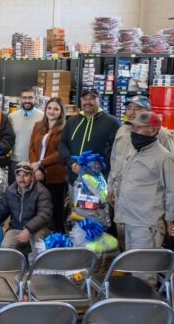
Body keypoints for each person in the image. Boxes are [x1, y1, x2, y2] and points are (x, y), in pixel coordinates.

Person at [113, 112, 174, 255]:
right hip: (129, 220)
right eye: (134, 127)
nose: (134, 132)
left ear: (154, 130)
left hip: (147, 226)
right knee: (132, 265)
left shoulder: (163, 158)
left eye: (140, 128)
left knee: (144, 271)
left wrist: (170, 221)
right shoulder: (134, 151)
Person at [109, 95, 174, 188]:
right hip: (119, 188)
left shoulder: (162, 133)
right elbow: (114, 159)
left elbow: (168, 170)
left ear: (148, 111)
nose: (132, 113)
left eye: (137, 109)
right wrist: (111, 186)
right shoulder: (122, 130)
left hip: (145, 192)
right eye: (129, 108)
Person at [59, 89, 121, 185]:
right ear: (80, 100)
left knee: (97, 201)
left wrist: (101, 163)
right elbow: (62, 144)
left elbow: (117, 150)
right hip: (74, 177)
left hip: (99, 180)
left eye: (92, 98)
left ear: (99, 100)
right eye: (84, 98)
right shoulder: (71, 121)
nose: (88, 102)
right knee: (73, 200)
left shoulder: (113, 123)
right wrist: (72, 164)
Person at [0, 162, 52, 259]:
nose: (21, 179)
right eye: (19, 175)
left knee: (38, 249)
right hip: (16, 228)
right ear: (15, 176)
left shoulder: (42, 191)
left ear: (32, 176)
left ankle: (34, 266)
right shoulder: (10, 191)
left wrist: (28, 230)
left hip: (37, 229)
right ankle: (24, 251)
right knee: (5, 248)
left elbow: (44, 215)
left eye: (25, 175)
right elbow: (1, 211)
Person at [29, 98, 69, 233]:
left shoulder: (65, 128)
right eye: (49, 108)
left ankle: (58, 238)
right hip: (37, 175)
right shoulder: (38, 126)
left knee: (56, 210)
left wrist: (41, 164)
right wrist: (36, 169)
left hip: (56, 176)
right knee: (38, 208)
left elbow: (60, 153)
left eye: (56, 109)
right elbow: (32, 149)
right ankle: (40, 236)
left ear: (61, 112)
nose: (52, 111)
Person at [8, 88, 44, 184]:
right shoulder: (12, 117)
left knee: (32, 193)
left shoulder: (43, 117)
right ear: (20, 100)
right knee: (14, 192)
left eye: (30, 98)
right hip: (15, 161)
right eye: (24, 98)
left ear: (35, 99)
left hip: (34, 163)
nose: (27, 100)